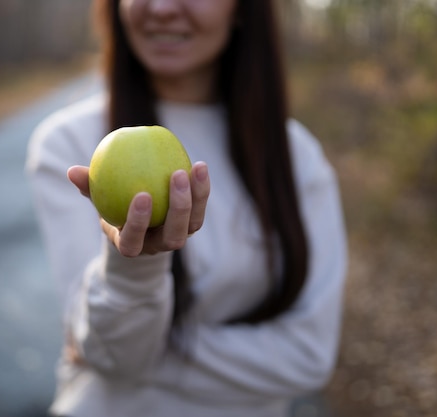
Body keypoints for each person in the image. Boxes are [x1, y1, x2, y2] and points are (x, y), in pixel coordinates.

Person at [26, 0, 348, 416]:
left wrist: (149, 352)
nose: (161, 8)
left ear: (243, 9)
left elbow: (309, 357)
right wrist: (133, 269)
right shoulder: (70, 145)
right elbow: (117, 360)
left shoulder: (294, 155)